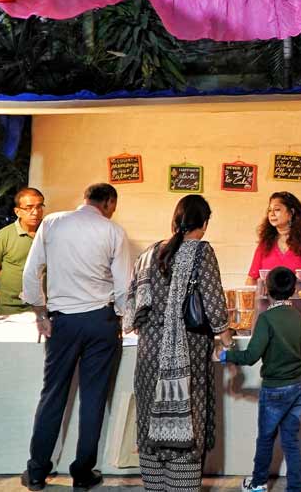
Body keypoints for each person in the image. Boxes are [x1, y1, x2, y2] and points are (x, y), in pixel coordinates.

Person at [20, 183, 133, 491]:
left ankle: (36, 472)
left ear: (85, 199)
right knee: (94, 397)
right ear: (109, 202)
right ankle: (83, 473)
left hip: (62, 323)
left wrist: (40, 314)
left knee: (53, 393)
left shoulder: (53, 222)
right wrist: (123, 317)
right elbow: (123, 285)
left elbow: (32, 273)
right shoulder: (113, 232)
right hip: (101, 321)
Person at [126, 194, 232, 492]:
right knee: (186, 415)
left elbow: (133, 305)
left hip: (149, 351)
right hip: (186, 350)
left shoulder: (149, 253)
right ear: (205, 223)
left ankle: (155, 486)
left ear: (176, 220)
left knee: (150, 417)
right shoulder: (200, 252)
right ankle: (181, 486)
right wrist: (226, 337)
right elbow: (212, 301)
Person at [221, 266, 301, 492]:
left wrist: (225, 355)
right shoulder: (299, 317)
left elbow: (251, 356)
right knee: (291, 441)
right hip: (297, 387)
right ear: (294, 289)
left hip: (274, 389)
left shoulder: (267, 319)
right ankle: (295, 487)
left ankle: (258, 483)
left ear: (266, 289)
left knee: (266, 439)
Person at [246, 191, 301, 284]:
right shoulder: (265, 242)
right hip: (270, 298)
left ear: (291, 212)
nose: (271, 214)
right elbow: (252, 279)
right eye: (269, 210)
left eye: (277, 209)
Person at [0, 187, 45, 314]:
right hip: (10, 306)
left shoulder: (51, 233)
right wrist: (12, 284)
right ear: (17, 211)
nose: (35, 212)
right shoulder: (3, 236)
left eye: (39, 207)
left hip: (44, 305)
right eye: (29, 208)